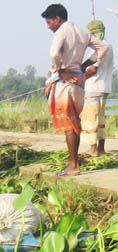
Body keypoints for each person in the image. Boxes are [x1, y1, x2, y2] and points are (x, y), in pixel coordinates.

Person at [42, 4, 110, 175]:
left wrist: (60, 70)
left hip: (64, 83)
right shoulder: (83, 32)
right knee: (75, 122)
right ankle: (74, 162)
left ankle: (73, 165)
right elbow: (103, 47)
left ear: (58, 19)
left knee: (68, 124)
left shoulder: (62, 31)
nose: (48, 25)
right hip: (79, 82)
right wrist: (85, 64)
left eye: (49, 21)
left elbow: (54, 53)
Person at [80, 20, 114, 156]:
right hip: (104, 88)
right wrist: (80, 67)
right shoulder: (108, 46)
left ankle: (93, 148)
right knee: (100, 119)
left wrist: (81, 78)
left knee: (89, 119)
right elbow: (89, 63)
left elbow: (93, 69)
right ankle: (101, 148)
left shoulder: (101, 48)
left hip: (93, 88)